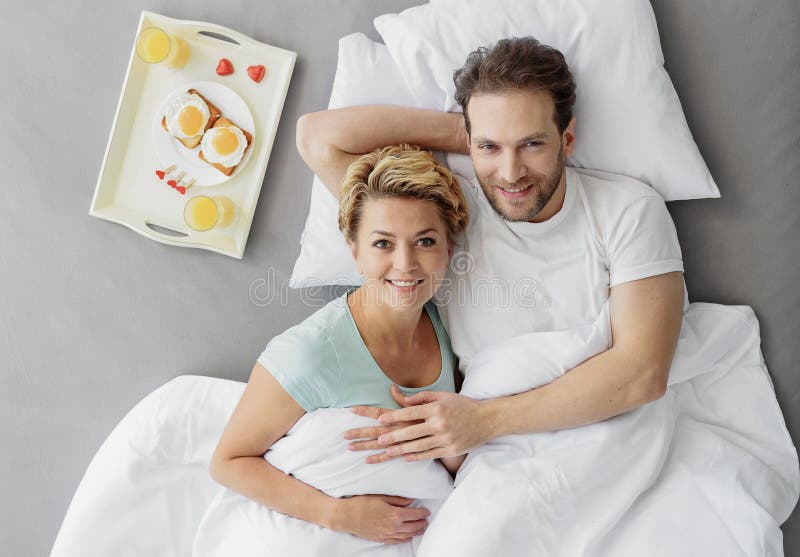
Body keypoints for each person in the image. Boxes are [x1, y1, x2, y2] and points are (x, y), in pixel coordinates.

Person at [295, 36, 685, 471]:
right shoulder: (447, 210)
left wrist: (484, 420)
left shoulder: (627, 209)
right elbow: (317, 138)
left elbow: (642, 374)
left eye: (532, 144)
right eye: (490, 148)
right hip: (501, 460)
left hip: (602, 435)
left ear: (568, 137)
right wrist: (474, 133)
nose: (511, 173)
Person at [209, 144, 469, 545]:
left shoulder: (451, 326)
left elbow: (447, 455)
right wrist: (337, 514)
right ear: (355, 252)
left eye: (425, 241)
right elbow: (228, 462)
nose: (406, 264)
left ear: (449, 250)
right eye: (383, 243)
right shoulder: (310, 354)